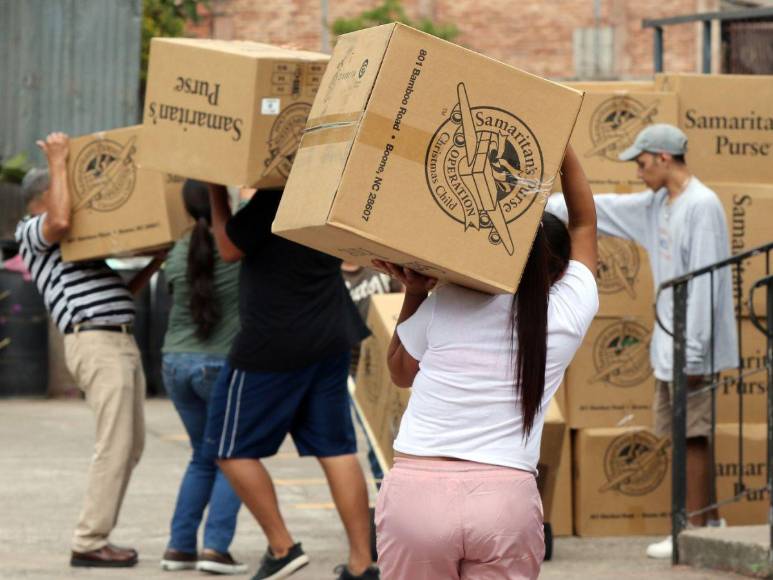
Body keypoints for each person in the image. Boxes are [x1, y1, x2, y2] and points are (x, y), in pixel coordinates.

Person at [373, 145, 599, 580]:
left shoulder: (452, 298)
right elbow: (585, 222)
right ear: (561, 269)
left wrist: (416, 290)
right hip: (505, 500)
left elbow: (400, 373)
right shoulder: (570, 312)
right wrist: (562, 146)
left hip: (417, 495)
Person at [546, 124, 737, 559]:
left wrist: (692, 354)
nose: (638, 171)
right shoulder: (659, 205)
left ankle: (693, 528)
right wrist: (547, 204)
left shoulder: (700, 206)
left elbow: (705, 284)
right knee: (684, 434)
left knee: (693, 435)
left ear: (664, 158)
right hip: (672, 344)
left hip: (692, 349)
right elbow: (608, 210)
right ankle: (701, 522)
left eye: (642, 162)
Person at [204, 184, 378, 580]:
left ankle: (282, 548)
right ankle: (361, 562)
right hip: (330, 333)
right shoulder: (329, 188)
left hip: (272, 341)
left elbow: (229, 248)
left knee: (229, 448)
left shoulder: (274, 195)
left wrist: (216, 192)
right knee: (336, 448)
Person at [15, 133, 164, 567]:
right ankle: (88, 541)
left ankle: (96, 536)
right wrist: (60, 160)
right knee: (114, 444)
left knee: (131, 444)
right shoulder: (35, 230)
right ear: (45, 196)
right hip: (95, 341)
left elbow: (122, 291)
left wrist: (155, 260)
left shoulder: (79, 248)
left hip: (118, 338)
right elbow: (60, 220)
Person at [159, 180, 246, 574]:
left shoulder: (177, 251)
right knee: (234, 457)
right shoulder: (235, 247)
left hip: (174, 363)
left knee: (203, 456)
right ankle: (215, 548)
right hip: (217, 364)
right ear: (220, 200)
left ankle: (179, 548)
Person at [342, 262, 403, 375]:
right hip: (360, 363)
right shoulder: (337, 279)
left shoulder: (376, 263)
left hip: (392, 349)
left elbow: (400, 296)